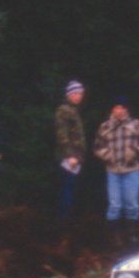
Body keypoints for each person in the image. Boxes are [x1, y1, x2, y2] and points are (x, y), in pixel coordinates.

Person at [93, 99, 139, 247]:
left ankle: (132, 235)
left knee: (132, 204)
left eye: (122, 108)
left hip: (132, 170)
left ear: (126, 110)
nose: (119, 111)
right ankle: (115, 237)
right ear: (112, 110)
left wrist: (136, 152)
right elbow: (97, 147)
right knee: (114, 205)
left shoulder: (136, 124)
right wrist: (107, 155)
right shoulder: (105, 126)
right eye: (116, 108)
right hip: (113, 171)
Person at [53, 80, 86, 223]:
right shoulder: (64, 110)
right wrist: (69, 155)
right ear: (69, 94)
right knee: (66, 189)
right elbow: (62, 135)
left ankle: (68, 220)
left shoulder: (74, 110)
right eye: (76, 93)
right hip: (69, 158)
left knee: (71, 189)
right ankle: (63, 221)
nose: (79, 96)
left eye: (81, 93)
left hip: (77, 157)